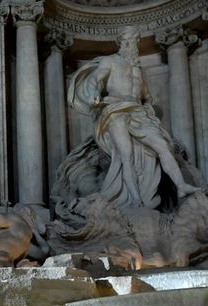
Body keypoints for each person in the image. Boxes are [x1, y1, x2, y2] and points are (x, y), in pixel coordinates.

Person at [68, 26, 199, 209]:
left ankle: (181, 186)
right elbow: (95, 79)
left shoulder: (138, 69)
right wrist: (93, 94)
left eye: (134, 42)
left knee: (162, 145)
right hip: (115, 111)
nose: (132, 45)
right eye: (128, 41)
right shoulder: (110, 61)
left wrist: (148, 107)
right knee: (126, 155)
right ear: (121, 43)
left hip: (138, 112)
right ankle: (135, 200)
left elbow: (145, 96)